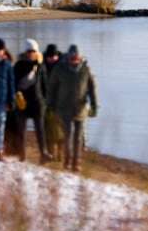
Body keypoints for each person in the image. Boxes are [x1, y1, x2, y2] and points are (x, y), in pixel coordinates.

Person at [46, 44, 98, 172]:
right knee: (68, 135)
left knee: (78, 137)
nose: (74, 60)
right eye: (72, 57)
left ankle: (76, 162)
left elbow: (92, 89)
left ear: (80, 57)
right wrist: (50, 105)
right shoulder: (59, 69)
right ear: (68, 57)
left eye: (76, 57)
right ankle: (67, 162)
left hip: (80, 109)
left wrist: (94, 105)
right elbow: (51, 88)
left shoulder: (86, 70)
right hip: (63, 109)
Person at [15, 39, 51, 163]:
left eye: (33, 51)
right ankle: (22, 155)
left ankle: (44, 153)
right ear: (25, 52)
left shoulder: (41, 65)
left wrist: (46, 101)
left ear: (37, 52)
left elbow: (45, 84)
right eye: (29, 51)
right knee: (22, 130)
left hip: (37, 102)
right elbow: (14, 83)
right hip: (22, 102)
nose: (31, 53)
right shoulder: (18, 65)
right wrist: (16, 95)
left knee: (40, 129)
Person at [41, 43, 63, 160]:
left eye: (53, 57)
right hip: (47, 100)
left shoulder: (63, 64)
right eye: (49, 57)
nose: (51, 59)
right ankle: (51, 153)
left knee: (61, 128)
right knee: (48, 128)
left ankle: (60, 153)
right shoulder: (42, 63)